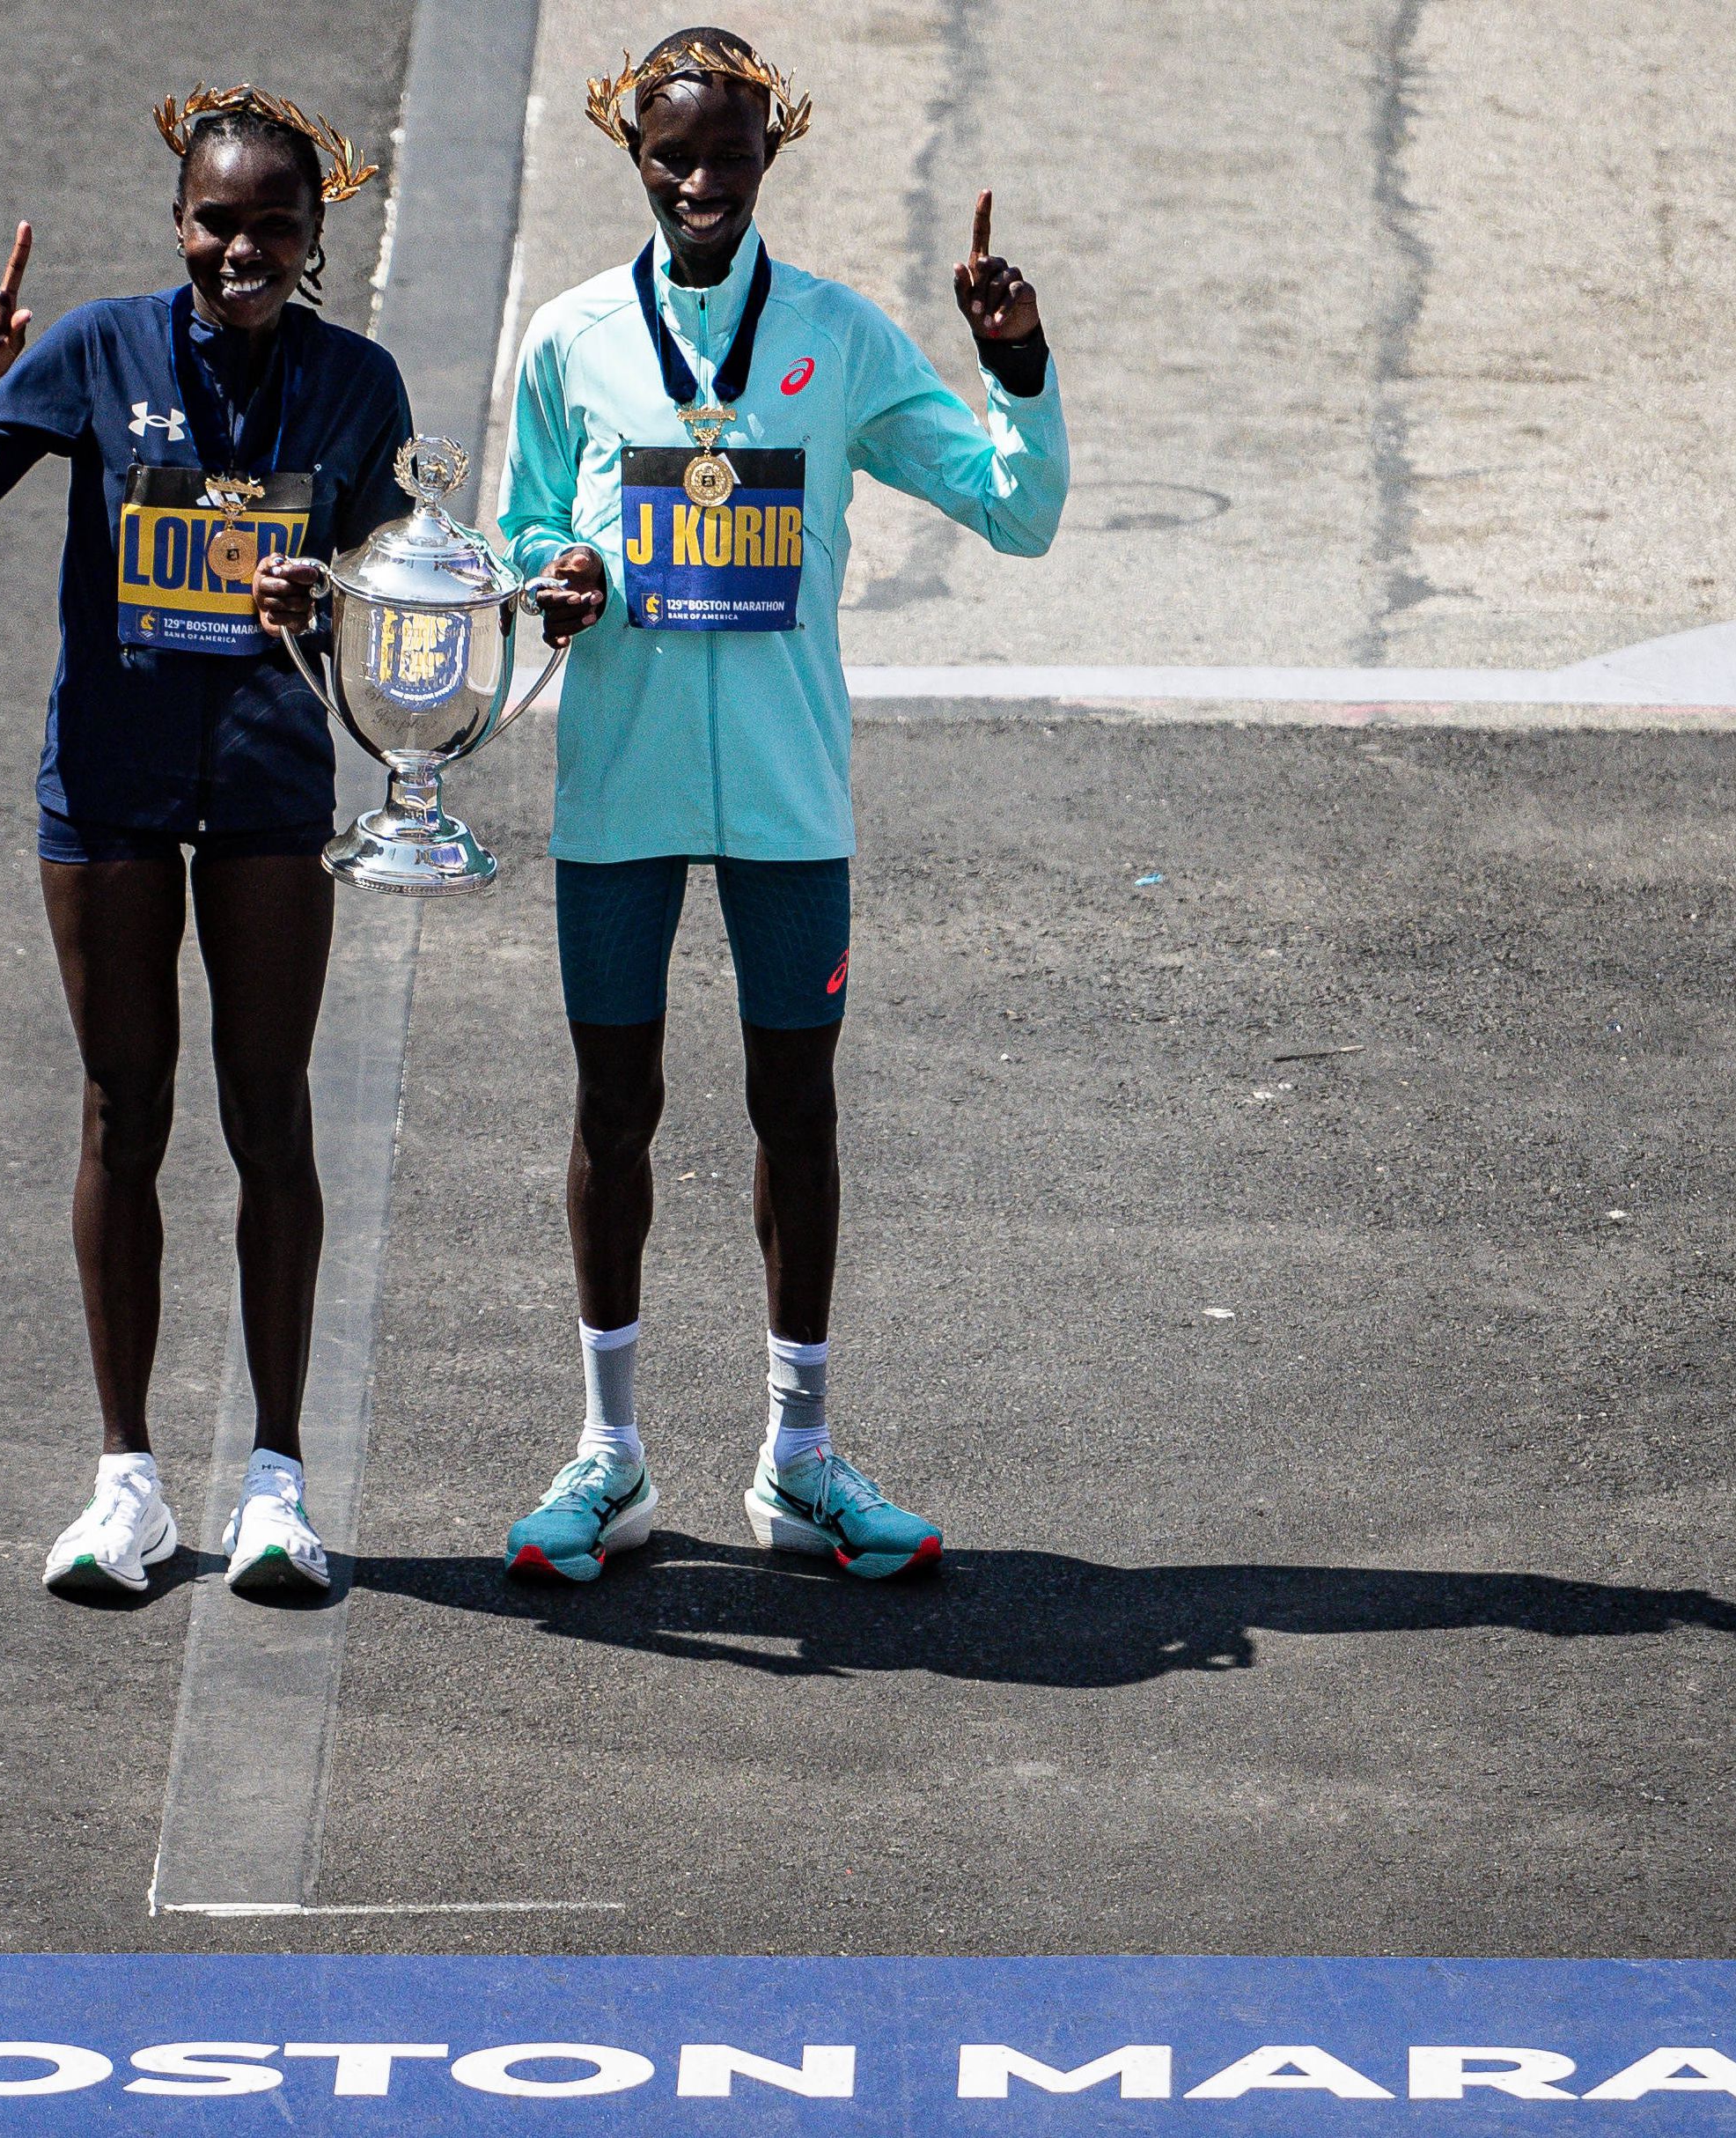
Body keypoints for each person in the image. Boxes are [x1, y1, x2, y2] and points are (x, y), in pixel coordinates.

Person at [496, 30, 1067, 1582]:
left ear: (770, 154)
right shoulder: (566, 340)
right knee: (614, 1112)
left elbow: (1013, 511)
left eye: (727, 156)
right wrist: (554, 575)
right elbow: (523, 524)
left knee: (793, 1111)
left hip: (790, 796)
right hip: (618, 784)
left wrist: (1015, 362)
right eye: (672, 157)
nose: (699, 183)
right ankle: (607, 1457)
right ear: (632, 153)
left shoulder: (839, 336)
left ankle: (796, 1461)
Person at [0, 86, 413, 1600]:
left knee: (270, 1114)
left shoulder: (357, 384)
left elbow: (395, 597)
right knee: (124, 1110)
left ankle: (275, 1485)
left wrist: (341, 606)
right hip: (105, 791)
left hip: (261, 793)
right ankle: (126, 1485)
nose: (243, 248)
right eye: (217, 222)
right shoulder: (99, 349)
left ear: (317, 236)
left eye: (274, 225)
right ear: (180, 223)